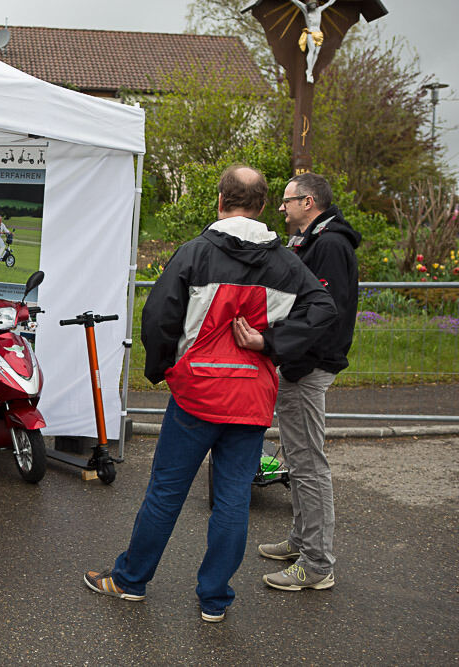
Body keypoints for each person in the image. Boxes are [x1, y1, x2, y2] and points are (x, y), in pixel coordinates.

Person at [84, 165, 337, 622]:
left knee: (166, 492)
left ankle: (130, 581)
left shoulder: (195, 252)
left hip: (197, 394)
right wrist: (271, 343)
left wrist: (164, 370)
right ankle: (214, 600)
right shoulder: (285, 262)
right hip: (251, 398)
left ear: (220, 201)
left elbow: (158, 317)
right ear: (262, 207)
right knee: (233, 499)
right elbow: (324, 308)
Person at [255, 172, 360, 592]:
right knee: (298, 462)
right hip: (302, 364)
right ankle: (301, 540)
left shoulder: (330, 245)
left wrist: (287, 357)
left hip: (307, 367)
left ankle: (316, 563)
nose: (282, 207)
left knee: (309, 464)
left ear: (309, 202)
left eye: (288, 200)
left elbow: (323, 314)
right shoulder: (317, 240)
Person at [290, 0, 336, 84]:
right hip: (310, 33)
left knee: (317, 52)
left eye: (314, 4)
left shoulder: (319, 10)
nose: (313, 6)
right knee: (312, 50)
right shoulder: (305, 10)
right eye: (311, 4)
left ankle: (309, 70)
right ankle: (309, 73)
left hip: (318, 33)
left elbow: (329, 3)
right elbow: (296, 2)